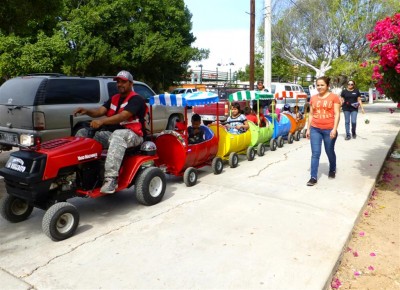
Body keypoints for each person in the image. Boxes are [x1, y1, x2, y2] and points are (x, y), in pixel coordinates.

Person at [74, 70, 147, 194]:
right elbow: (99, 112)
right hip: (113, 134)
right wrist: (87, 111)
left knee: (118, 136)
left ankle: (111, 179)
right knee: (83, 133)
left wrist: (102, 122)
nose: (119, 84)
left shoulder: (137, 99)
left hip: (133, 135)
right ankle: (81, 172)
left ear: (130, 83)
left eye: (123, 82)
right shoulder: (114, 98)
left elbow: (123, 116)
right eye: (118, 82)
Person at [306, 76, 341, 186]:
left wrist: (334, 129)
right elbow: (311, 114)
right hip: (315, 129)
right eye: (318, 85)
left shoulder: (334, 97)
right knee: (315, 153)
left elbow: (337, 114)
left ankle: (332, 169)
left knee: (329, 151)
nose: (320, 87)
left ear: (327, 86)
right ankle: (313, 177)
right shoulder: (313, 98)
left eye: (322, 85)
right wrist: (308, 129)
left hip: (329, 129)